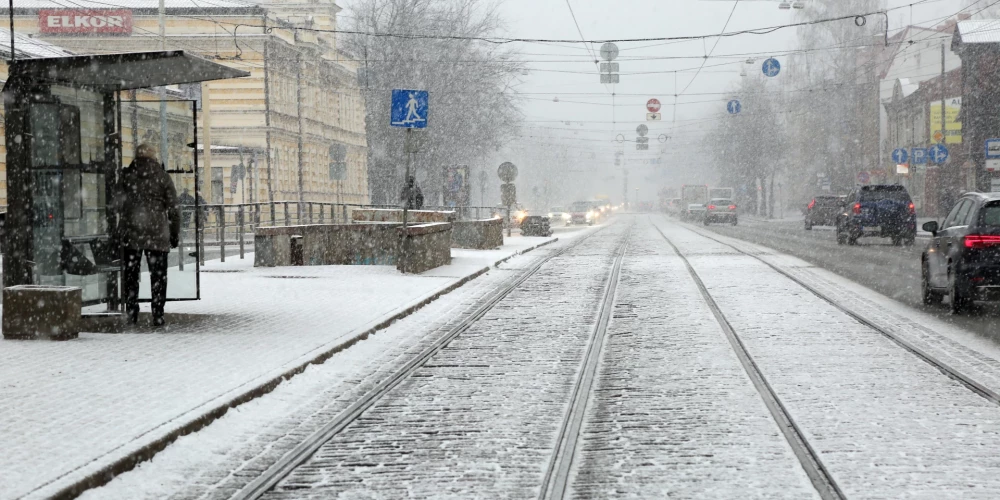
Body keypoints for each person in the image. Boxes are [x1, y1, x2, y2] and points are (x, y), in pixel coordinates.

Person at [121, 143, 180, 326]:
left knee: (131, 276)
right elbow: (174, 209)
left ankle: (131, 312)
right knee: (158, 276)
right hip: (157, 234)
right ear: (154, 157)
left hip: (132, 234)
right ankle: (158, 313)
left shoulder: (127, 177)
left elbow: (115, 204)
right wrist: (174, 234)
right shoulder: (163, 177)